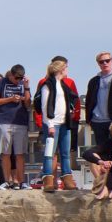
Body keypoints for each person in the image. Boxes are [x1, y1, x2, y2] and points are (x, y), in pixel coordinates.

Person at [37, 59, 78, 192]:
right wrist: (49, 125)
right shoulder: (47, 85)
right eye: (66, 68)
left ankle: (67, 178)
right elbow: (44, 107)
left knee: (65, 153)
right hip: (53, 124)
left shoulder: (64, 85)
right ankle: (48, 179)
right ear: (61, 69)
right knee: (50, 153)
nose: (67, 70)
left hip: (65, 123)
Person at [0, 65, 31, 189]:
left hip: (21, 122)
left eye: (20, 78)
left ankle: (21, 182)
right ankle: (6, 181)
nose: (18, 80)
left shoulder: (23, 84)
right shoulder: (1, 83)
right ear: (10, 75)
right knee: (6, 153)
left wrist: (27, 88)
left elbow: (28, 104)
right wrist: (10, 99)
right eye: (16, 78)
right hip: (4, 121)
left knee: (20, 154)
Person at [85, 52, 112, 148]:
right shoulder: (94, 81)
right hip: (97, 121)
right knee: (102, 150)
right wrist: (88, 118)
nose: (105, 63)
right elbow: (89, 100)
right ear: (98, 63)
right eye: (101, 62)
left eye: (107, 61)